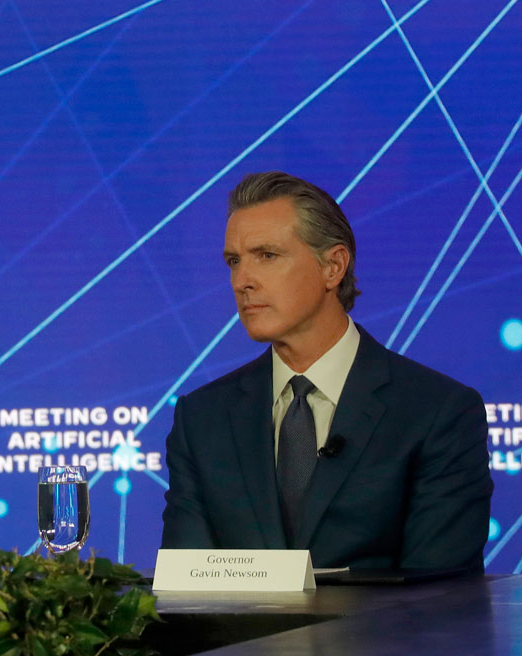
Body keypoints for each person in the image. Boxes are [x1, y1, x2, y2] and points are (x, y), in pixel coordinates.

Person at [161, 171, 492, 571]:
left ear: (333, 266)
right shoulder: (202, 420)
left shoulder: (436, 413)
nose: (242, 281)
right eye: (234, 261)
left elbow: (439, 592)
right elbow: (188, 586)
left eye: (267, 255)